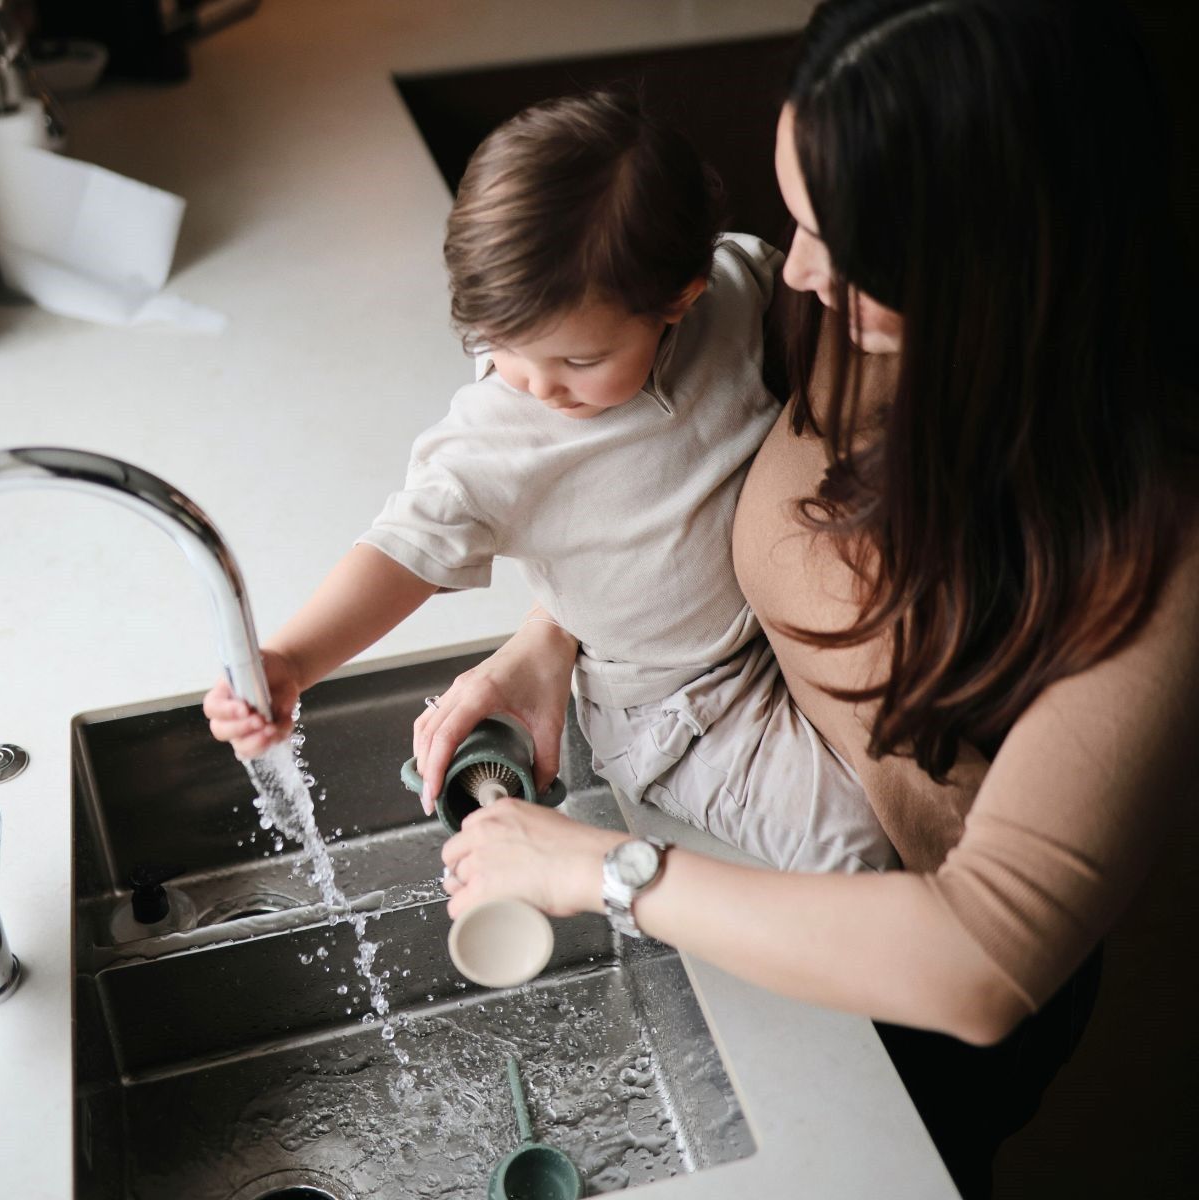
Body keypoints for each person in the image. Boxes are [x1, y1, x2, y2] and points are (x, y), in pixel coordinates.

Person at [419, 1, 1198, 1195]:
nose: (795, 267)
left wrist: (604, 874)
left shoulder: (1158, 556)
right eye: (795, 216)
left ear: (1001, 262)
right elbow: (686, 475)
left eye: (845, 243)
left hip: (920, 991)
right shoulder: (841, 318)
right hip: (766, 846)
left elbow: (985, 958)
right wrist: (554, 633)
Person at [204, 89, 897, 877]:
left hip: (777, 636)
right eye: (502, 344)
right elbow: (403, 546)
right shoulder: (500, 437)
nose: (536, 383)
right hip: (679, 710)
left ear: (681, 298)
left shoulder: (739, 287)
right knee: (858, 845)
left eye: (579, 361)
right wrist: (293, 659)